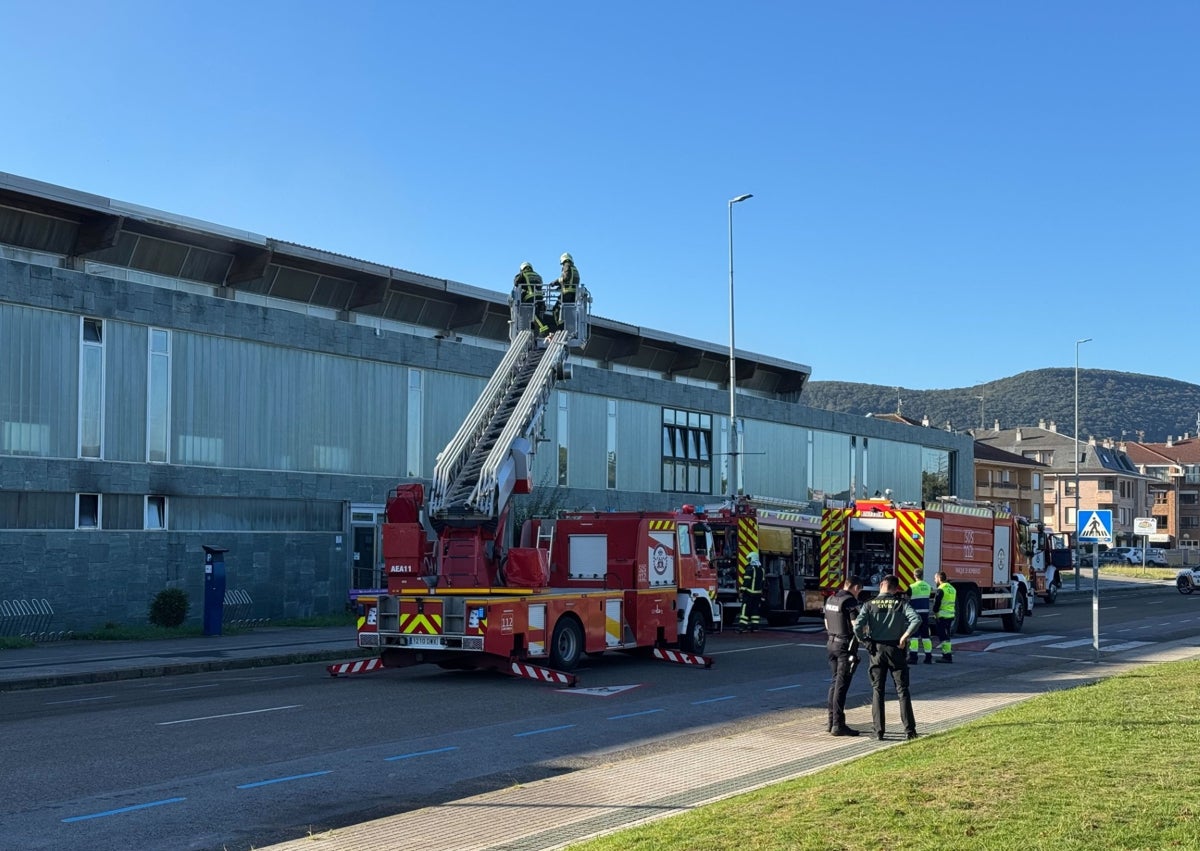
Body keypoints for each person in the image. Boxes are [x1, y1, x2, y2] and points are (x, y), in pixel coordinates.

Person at [853, 574, 921, 741]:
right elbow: (916, 619)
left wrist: (866, 642)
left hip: (876, 650)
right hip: (896, 649)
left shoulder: (869, 604)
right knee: (902, 690)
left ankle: (878, 731)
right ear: (896, 588)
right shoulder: (900, 604)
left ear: (882, 584)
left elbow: (857, 628)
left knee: (877, 691)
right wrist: (904, 636)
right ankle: (910, 731)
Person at [824, 575, 865, 736]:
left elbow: (827, 623)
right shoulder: (850, 602)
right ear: (855, 588)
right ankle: (838, 725)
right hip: (844, 646)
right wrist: (865, 640)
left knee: (834, 683)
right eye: (859, 591)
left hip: (831, 643)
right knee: (842, 685)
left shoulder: (831, 599)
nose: (858, 594)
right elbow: (856, 626)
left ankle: (831, 721)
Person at [513, 261, 550, 335]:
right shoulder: (537, 275)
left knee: (533, 314)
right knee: (535, 315)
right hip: (540, 298)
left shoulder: (524, 274)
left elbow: (516, 283)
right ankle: (532, 329)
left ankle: (544, 328)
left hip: (531, 297)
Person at [906, 575, 934, 664]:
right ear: (923, 575)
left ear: (914, 576)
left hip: (915, 614)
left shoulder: (912, 587)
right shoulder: (928, 586)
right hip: (925, 614)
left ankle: (913, 657)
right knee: (926, 636)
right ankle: (928, 657)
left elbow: (907, 596)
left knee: (914, 636)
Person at [735, 551, 766, 633]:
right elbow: (763, 582)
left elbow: (747, 581)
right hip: (758, 594)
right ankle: (755, 627)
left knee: (745, 610)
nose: (748, 561)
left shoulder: (749, 569)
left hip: (749, 593)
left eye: (749, 559)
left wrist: (742, 590)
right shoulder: (761, 570)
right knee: (755, 610)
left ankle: (742, 627)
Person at [931, 571, 957, 663]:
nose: (934, 580)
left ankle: (947, 656)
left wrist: (934, 611)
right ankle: (947, 655)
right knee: (946, 636)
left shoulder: (941, 589)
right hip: (950, 615)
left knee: (943, 637)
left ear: (939, 578)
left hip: (942, 616)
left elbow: (937, 603)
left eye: (935, 578)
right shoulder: (952, 588)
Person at [551, 252, 580, 331]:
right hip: (573, 295)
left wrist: (554, 282)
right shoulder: (575, 269)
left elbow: (566, 277)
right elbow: (570, 280)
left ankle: (560, 329)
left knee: (556, 310)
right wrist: (560, 286)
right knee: (569, 313)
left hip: (567, 294)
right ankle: (570, 328)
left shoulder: (566, 265)